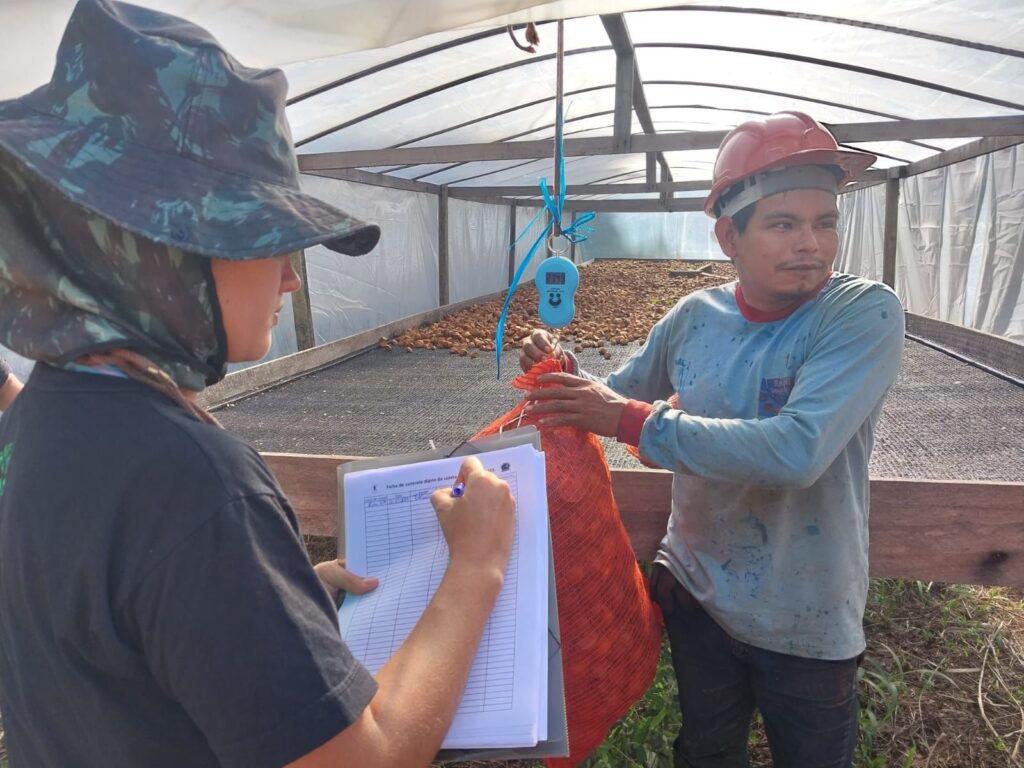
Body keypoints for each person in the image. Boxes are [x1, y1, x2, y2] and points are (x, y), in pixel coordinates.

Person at [0, 2, 515, 767]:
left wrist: (276, 601)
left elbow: (114, 639)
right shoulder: (193, 483)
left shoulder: (35, 419)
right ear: (160, 252)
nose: (291, 277)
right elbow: (366, 761)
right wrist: (479, 565)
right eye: (263, 237)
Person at [520, 111, 905, 767]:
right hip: (698, 592)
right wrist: (563, 374)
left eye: (825, 222)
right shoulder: (696, 316)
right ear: (729, 235)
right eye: (783, 224)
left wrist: (627, 418)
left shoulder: (861, 312)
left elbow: (797, 451)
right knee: (706, 749)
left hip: (804, 613)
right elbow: (621, 391)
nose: (810, 244)